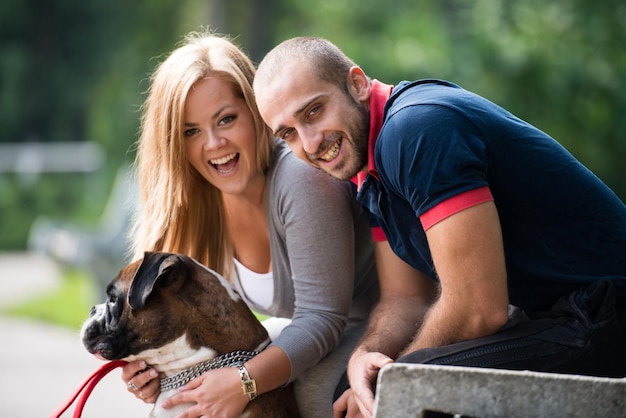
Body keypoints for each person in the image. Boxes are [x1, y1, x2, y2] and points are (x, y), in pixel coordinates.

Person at [252, 37, 626, 417]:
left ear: (357, 84)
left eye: (314, 111)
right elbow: (406, 297)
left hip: (605, 312)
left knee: (405, 393)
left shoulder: (416, 130)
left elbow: (479, 308)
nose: (311, 143)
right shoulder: (366, 164)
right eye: (289, 134)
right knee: (354, 388)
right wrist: (367, 354)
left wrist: (396, 374)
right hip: (558, 318)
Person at [119, 32, 379, 418]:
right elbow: (204, 327)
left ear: (255, 112)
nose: (214, 143)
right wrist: (156, 370)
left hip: (378, 328)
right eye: (191, 131)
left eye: (226, 119)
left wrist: (245, 380)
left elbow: (321, 319)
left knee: (304, 395)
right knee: (187, 398)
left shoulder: (301, 179)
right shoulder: (196, 204)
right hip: (307, 331)